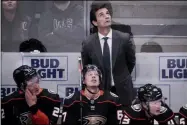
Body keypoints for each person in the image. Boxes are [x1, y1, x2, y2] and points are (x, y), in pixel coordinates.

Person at [81, 1, 136, 106]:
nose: (107, 16)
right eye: (101, 15)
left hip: (123, 90)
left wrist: (121, 76)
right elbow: (87, 67)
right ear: (95, 22)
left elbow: (131, 62)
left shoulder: (124, 38)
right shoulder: (88, 43)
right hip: (100, 91)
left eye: (107, 13)